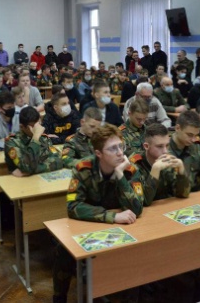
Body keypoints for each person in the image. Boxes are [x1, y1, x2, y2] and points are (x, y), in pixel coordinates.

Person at [53, 125, 144, 302]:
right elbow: (73, 206)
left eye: (121, 146)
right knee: (62, 250)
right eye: (112, 148)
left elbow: (137, 208)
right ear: (98, 153)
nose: (120, 153)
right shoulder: (83, 169)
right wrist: (112, 217)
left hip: (122, 229)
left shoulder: (130, 169)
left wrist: (120, 175)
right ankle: (59, 297)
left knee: (137, 252)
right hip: (89, 223)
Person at [129, 123, 189, 205]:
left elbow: (183, 194)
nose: (165, 151)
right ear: (146, 146)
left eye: (167, 145)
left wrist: (181, 172)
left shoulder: (167, 159)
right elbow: (144, 202)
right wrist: (155, 170)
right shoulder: (135, 164)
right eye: (160, 146)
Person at [4, 107, 62, 176]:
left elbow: (59, 161)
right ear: (22, 127)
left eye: (38, 125)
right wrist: (35, 138)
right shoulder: (12, 142)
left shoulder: (44, 138)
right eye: (33, 127)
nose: (37, 129)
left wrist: (34, 170)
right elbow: (27, 167)